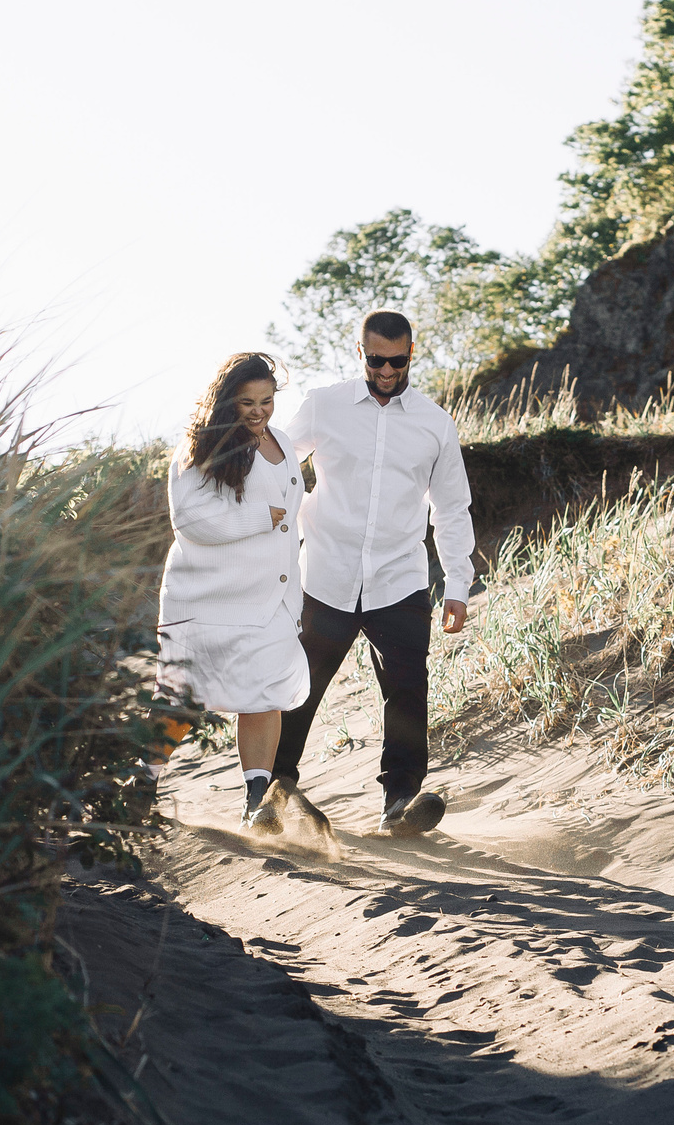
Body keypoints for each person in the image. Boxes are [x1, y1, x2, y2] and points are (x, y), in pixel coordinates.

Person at [273, 309, 473, 835]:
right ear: (360, 353)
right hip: (323, 574)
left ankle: (399, 804)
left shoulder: (434, 422)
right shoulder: (324, 405)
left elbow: (451, 509)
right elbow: (278, 464)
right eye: (378, 360)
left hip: (399, 579)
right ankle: (271, 792)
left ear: (412, 354)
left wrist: (457, 584)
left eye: (399, 361)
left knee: (408, 690)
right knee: (300, 687)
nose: (387, 371)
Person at [156, 352, 310, 832]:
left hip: (272, 599)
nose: (259, 412)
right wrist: (258, 517)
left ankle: (256, 803)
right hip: (208, 598)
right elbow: (190, 520)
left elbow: (290, 527)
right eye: (247, 403)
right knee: (180, 697)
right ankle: (141, 783)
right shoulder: (198, 446)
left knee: (265, 696)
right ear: (226, 401)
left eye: (266, 401)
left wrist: (293, 598)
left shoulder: (281, 442)